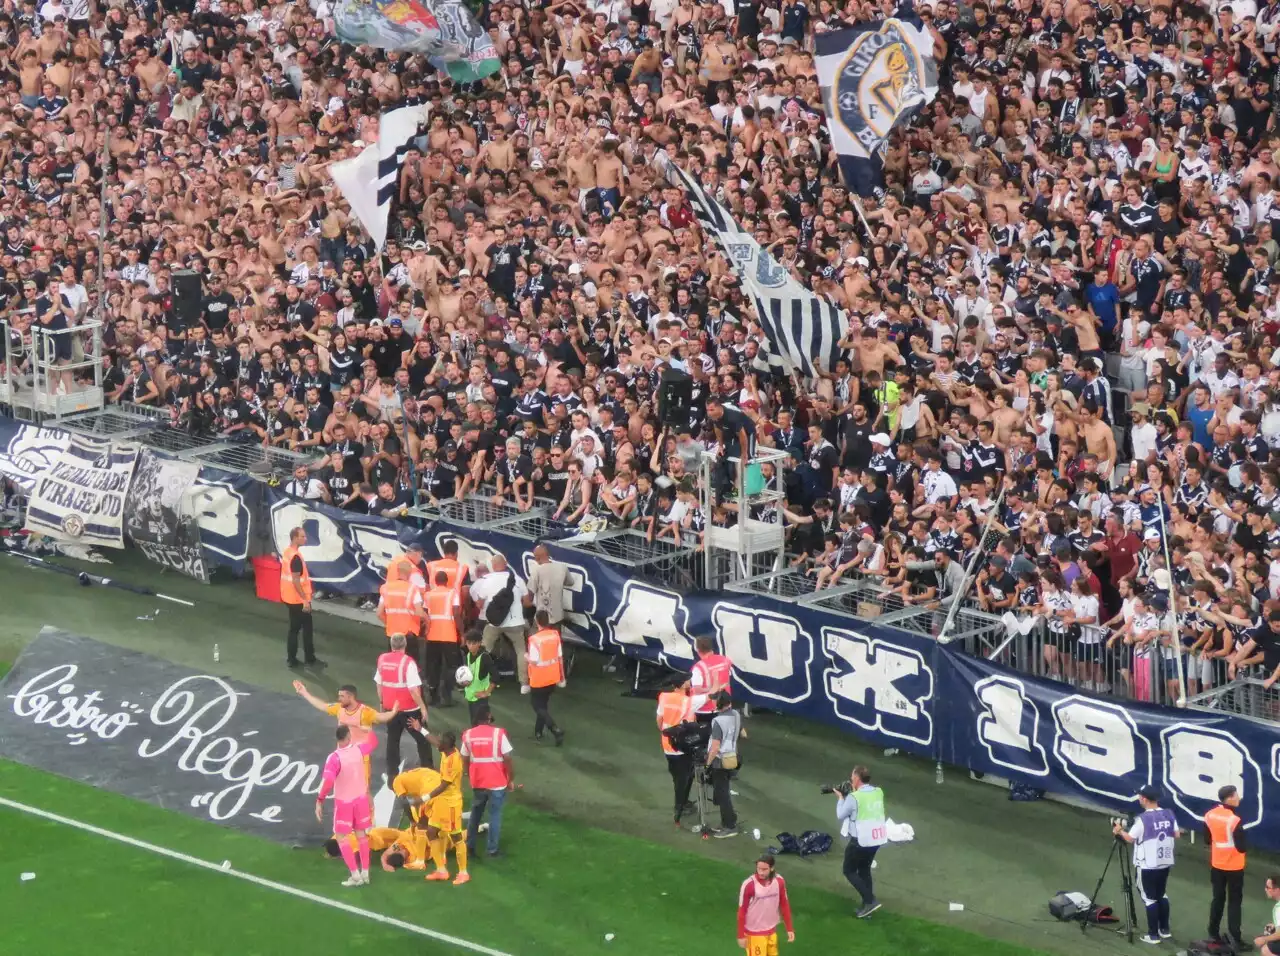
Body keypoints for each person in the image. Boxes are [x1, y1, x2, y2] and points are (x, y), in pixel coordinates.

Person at [315, 724, 383, 887]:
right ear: (348, 737)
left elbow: (328, 781)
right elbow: (373, 743)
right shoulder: (358, 750)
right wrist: (370, 731)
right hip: (360, 800)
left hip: (344, 803)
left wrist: (320, 799)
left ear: (337, 738)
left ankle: (355, 876)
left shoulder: (334, 758)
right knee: (361, 835)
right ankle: (365, 873)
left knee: (341, 837)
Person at [294, 681, 399, 781]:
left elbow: (381, 717)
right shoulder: (339, 708)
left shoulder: (365, 712)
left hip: (360, 758)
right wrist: (304, 693)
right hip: (343, 756)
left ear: (351, 697)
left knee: (362, 789)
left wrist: (393, 712)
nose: (339, 699)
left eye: (342, 696)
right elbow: (322, 706)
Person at [1113, 784, 1178, 943]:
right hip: (1165, 862)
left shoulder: (1143, 819)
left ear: (1144, 798)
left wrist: (1119, 830)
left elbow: (1129, 839)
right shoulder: (1169, 814)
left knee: (1149, 899)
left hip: (1147, 865)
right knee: (1161, 894)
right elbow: (1176, 834)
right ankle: (1164, 930)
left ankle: (1153, 935)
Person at [373, 633, 433, 779]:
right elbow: (413, 690)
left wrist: (382, 703)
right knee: (422, 739)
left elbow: (379, 684)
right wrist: (423, 707)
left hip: (391, 709)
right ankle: (428, 770)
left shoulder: (382, 660)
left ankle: (392, 772)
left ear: (392, 645)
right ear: (405, 645)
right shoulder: (408, 663)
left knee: (393, 740)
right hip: (410, 710)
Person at [415, 729, 469, 885]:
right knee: (431, 832)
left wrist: (423, 798)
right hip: (442, 802)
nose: (438, 744)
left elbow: (444, 785)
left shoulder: (454, 761)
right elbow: (435, 742)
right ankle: (441, 870)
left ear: (447, 745)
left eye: (441, 742)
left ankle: (463, 873)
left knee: (456, 836)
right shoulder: (446, 751)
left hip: (451, 803)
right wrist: (421, 729)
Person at [470, 556, 530, 692]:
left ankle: (478, 680)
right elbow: (527, 602)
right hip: (515, 622)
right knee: (521, 651)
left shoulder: (486, 581)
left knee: (483, 651)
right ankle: (524, 684)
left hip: (494, 622)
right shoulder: (517, 579)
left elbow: (479, 604)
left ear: (492, 565)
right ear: (506, 564)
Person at [461, 711, 514, 859]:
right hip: (497, 781)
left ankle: (470, 847)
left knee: (475, 814)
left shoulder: (468, 735)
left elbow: (464, 757)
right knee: (495, 815)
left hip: (478, 781)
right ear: (489, 717)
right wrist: (510, 778)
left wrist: (468, 773)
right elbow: (507, 758)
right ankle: (492, 850)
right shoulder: (498, 734)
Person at [836, 765, 887, 918]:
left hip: (860, 840)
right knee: (864, 870)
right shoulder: (879, 791)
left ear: (857, 778)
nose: (851, 779)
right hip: (876, 839)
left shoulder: (854, 797)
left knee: (849, 870)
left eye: (853, 777)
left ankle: (870, 901)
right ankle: (868, 908)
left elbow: (841, 815)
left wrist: (840, 799)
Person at [1207, 785, 1247, 949]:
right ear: (1230, 798)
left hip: (1217, 864)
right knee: (1234, 902)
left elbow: (1207, 839)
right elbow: (1242, 847)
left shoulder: (1210, 815)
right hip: (1235, 867)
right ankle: (1235, 938)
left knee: (1217, 898)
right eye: (1236, 795)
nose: (1239, 798)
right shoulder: (1234, 820)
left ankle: (1213, 932)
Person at [280, 527, 324, 670]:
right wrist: (305, 600)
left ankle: (291, 659)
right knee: (306, 629)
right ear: (295, 538)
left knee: (293, 629)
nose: (305, 539)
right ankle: (309, 659)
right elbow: (296, 580)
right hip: (298, 600)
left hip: (288, 597)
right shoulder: (296, 557)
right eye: (303, 536)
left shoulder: (287, 552)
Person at [737, 854, 796, 955]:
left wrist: (789, 928)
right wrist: (740, 935)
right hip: (754, 934)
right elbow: (742, 911)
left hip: (771, 931)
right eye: (759, 869)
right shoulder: (749, 885)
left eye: (764, 869)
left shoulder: (779, 881)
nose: (761, 872)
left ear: (772, 868)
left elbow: (784, 904)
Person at [657, 680, 695, 826]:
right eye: (687, 682)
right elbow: (690, 725)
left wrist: (664, 732)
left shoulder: (664, 696)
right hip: (681, 746)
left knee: (676, 776)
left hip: (667, 743)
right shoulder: (687, 702)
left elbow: (659, 720)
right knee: (683, 779)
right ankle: (679, 808)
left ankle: (682, 803)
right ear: (682, 685)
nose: (690, 684)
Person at [423, 570, 463, 706]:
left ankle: (433, 696)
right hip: (449, 635)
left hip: (432, 635)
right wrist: (461, 632)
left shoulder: (428, 595)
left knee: (433, 665)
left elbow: (425, 614)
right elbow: (456, 614)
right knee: (451, 666)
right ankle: (446, 696)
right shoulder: (452, 593)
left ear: (435, 581)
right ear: (447, 581)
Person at [705, 691, 742, 838]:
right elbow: (743, 733)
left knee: (722, 794)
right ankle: (729, 820)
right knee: (723, 791)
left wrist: (708, 764)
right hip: (733, 758)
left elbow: (715, 747)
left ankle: (730, 826)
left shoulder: (718, 721)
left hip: (720, 761)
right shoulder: (737, 714)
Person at [527, 610, 566, 745]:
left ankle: (554, 729)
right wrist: (562, 677)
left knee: (537, 706)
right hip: (552, 677)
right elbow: (560, 657)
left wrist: (526, 657)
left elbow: (534, 661)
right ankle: (538, 732)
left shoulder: (534, 640)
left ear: (537, 621)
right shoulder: (555, 635)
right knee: (543, 705)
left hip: (538, 678)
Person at [377, 560, 426, 662]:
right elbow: (419, 612)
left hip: (392, 634)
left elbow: (379, 613)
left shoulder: (386, 588)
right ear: (409, 573)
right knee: (411, 664)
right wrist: (426, 618)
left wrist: (389, 623)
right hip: (409, 634)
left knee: (393, 663)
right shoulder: (413, 589)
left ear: (398, 571)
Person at [689, 637, 733, 723]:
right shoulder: (725, 660)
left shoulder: (698, 667)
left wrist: (712, 689)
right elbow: (727, 680)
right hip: (725, 705)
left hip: (706, 709)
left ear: (698, 650)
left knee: (707, 735)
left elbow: (697, 690)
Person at [461, 627, 497, 726]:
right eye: (468, 643)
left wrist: (486, 692)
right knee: (474, 724)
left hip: (481, 700)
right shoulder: (467, 657)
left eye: (474, 643)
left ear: (479, 643)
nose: (471, 646)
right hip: (470, 698)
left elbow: (496, 676)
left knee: (482, 726)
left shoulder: (485, 657)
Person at [1256, 875, 1280, 956]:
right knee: (1270, 928)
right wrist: (1275, 926)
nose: (1265, 889)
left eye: (1268, 887)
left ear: (1277, 890)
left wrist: (1264, 939)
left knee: (1266, 950)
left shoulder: (1278, 908)